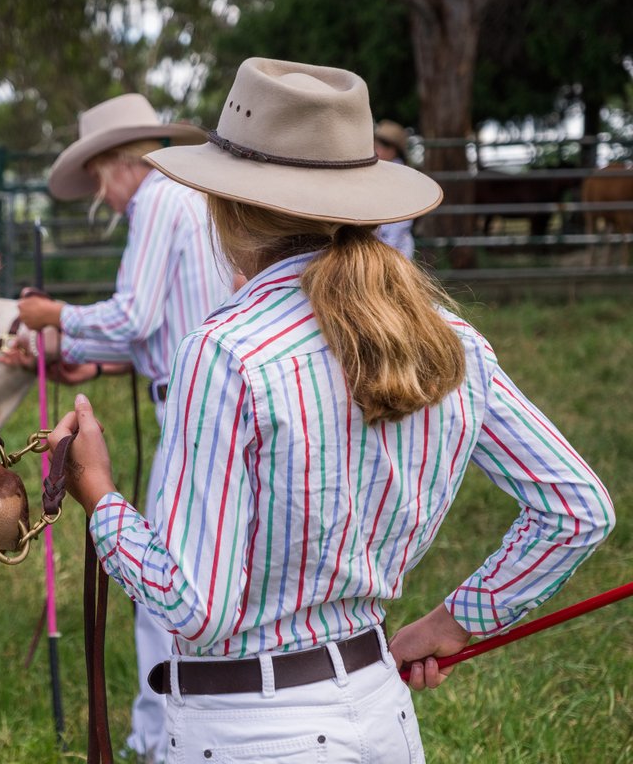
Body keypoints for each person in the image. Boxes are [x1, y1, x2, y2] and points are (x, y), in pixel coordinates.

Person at [46, 58, 613, 763]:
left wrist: (97, 492)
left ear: (228, 206)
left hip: (248, 732)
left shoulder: (226, 353)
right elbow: (577, 509)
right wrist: (458, 620)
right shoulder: (450, 339)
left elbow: (194, 607)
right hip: (381, 714)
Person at [4, 92, 239, 763]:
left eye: (98, 186)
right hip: (204, 400)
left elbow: (135, 317)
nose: (102, 201)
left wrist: (56, 316)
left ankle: (156, 738)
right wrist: (92, 362)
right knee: (200, 572)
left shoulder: (156, 199)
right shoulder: (188, 195)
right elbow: (158, 329)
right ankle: (183, 725)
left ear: (114, 164)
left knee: (158, 578)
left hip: (192, 414)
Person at [373, 119, 417, 258]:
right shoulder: (380, 174)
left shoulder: (400, 178)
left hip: (393, 247)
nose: (374, 151)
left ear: (392, 150)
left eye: (378, 147)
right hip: (385, 245)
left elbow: (401, 222)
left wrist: (385, 251)